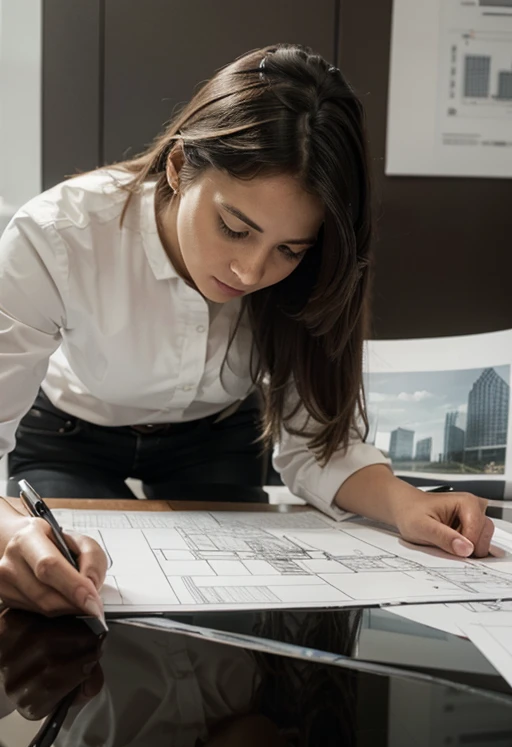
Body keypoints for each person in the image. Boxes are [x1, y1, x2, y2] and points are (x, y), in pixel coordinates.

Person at [0, 43, 493, 619]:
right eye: (234, 228)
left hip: (213, 436)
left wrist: (408, 503)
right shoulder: (56, 234)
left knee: (233, 607)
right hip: (71, 431)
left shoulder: (307, 275)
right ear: (179, 168)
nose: (251, 272)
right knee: (70, 586)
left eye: (289, 249)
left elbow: (314, 443)